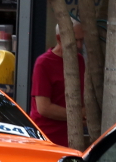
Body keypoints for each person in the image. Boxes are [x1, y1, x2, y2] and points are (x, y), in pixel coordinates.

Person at [29, 20, 85, 148]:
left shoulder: (80, 61)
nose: (80, 46)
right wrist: (79, 114)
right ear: (59, 39)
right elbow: (43, 108)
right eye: (76, 41)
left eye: (82, 41)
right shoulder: (43, 63)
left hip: (72, 135)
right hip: (47, 138)